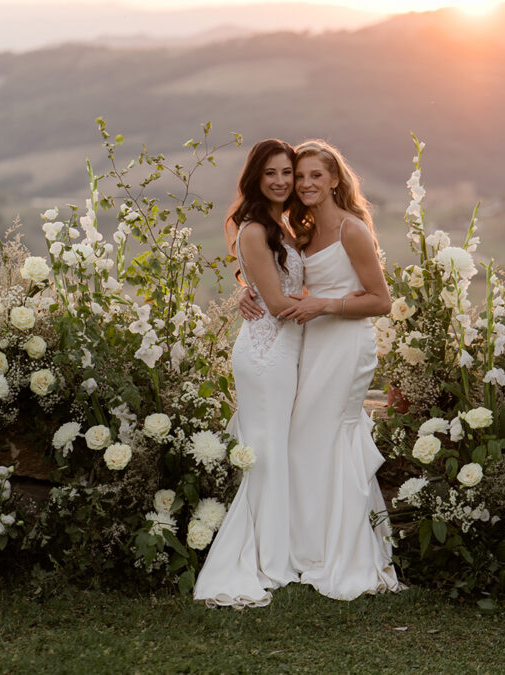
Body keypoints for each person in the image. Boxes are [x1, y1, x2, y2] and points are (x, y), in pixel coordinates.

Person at [277, 140, 402, 600]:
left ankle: (344, 551)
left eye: (315, 175)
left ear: (334, 179)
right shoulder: (303, 232)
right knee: (305, 438)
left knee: (331, 435)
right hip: (313, 341)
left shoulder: (353, 230)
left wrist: (324, 305)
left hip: (347, 345)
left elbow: (381, 301)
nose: (306, 184)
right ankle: (307, 545)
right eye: (300, 176)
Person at [192, 139, 304, 608]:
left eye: (287, 173)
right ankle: (264, 558)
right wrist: (342, 300)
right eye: (271, 173)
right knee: (267, 451)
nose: (280, 181)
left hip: (282, 345)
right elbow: (278, 304)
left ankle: (283, 549)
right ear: (256, 179)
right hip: (267, 352)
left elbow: (270, 286)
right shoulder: (255, 228)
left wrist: (250, 288)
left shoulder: (281, 224)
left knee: (279, 447)